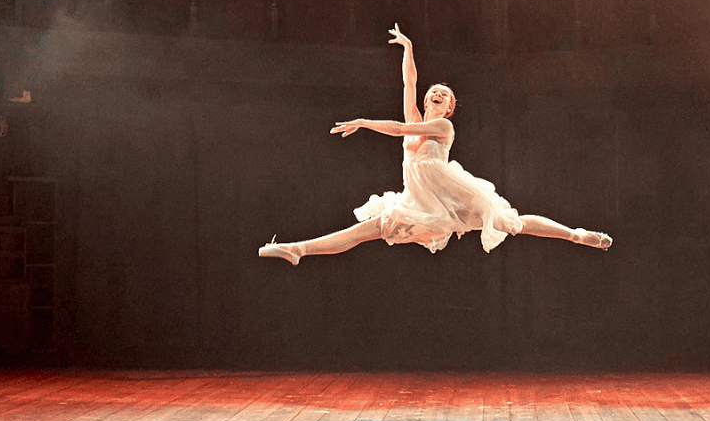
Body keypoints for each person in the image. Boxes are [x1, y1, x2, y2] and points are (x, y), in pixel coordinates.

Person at [259, 26, 611, 263]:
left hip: (452, 200)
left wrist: (365, 122)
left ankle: (577, 235)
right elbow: (408, 83)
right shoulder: (416, 119)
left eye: (445, 95)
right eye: (434, 92)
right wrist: (408, 48)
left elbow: (397, 130)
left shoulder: (442, 127)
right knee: (367, 230)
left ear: (450, 108)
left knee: (510, 221)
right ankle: (296, 249)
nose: (437, 94)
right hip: (421, 203)